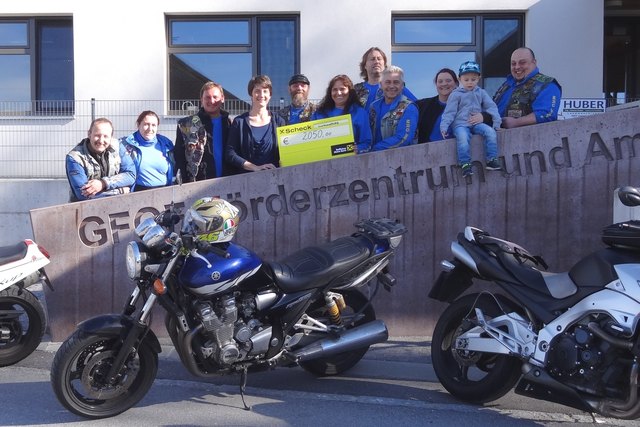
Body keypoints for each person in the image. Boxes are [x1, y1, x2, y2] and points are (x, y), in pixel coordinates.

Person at [440, 61, 502, 178]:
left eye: (473, 79)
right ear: (460, 79)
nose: (470, 82)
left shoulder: (481, 93)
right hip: (461, 125)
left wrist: (496, 122)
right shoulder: (455, 94)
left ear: (478, 78)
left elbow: (491, 107)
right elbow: (449, 112)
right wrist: (444, 126)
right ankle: (465, 164)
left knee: (490, 132)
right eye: (466, 79)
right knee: (463, 138)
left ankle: (491, 159)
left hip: (476, 123)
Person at [65, 118, 136, 202]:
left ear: (111, 137)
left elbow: (131, 176)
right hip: (85, 210)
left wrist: (103, 183)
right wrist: (120, 191)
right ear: (89, 134)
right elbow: (83, 194)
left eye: (105, 136)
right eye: (97, 135)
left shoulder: (118, 146)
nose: (101, 140)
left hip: (117, 206)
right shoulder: (74, 157)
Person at [225, 75, 285, 173]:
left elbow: (286, 151)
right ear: (251, 94)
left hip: (275, 179)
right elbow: (230, 153)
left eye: (265, 91)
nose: (261, 94)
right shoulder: (239, 122)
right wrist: (254, 167)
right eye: (257, 91)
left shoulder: (279, 121)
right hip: (247, 182)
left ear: (270, 95)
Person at [175, 81, 232, 182]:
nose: (212, 101)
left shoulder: (231, 124)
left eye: (215, 97)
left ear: (222, 98)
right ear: (201, 100)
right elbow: (179, 158)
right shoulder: (186, 124)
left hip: (228, 183)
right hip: (198, 184)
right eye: (207, 97)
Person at [493, 47, 562, 129]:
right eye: (513, 63)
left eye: (522, 63)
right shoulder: (506, 84)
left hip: (531, 139)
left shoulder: (547, 85)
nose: (517, 67)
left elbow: (547, 114)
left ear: (534, 62)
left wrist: (516, 122)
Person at [311, 74, 372, 153]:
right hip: (323, 159)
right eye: (335, 90)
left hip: (349, 161)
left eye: (342, 89)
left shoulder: (360, 113)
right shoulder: (319, 113)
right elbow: (311, 140)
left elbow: (367, 143)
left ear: (349, 91)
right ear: (330, 92)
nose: (339, 93)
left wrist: (357, 148)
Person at [367, 65, 418, 152]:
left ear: (402, 86)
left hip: (399, 161)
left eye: (396, 82)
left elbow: (403, 138)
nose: (392, 86)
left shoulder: (409, 107)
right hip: (372, 161)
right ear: (381, 85)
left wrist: (375, 149)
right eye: (387, 82)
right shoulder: (373, 107)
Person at [121, 110, 174, 191]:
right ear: (138, 125)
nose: (150, 129)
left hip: (164, 191)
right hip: (139, 192)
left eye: (153, 125)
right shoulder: (126, 145)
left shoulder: (166, 144)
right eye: (146, 124)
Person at [354, 47, 417, 111]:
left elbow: (418, 106)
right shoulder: (355, 90)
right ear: (365, 65)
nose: (376, 61)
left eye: (379, 59)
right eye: (372, 59)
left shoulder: (396, 88)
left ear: (384, 65)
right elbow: (345, 111)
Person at [416, 68, 459, 143]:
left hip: (458, 151)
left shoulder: (466, 104)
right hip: (427, 152)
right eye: (440, 81)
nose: (444, 84)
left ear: (456, 84)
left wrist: (482, 116)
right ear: (436, 84)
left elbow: (485, 114)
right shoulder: (423, 105)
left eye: (448, 80)